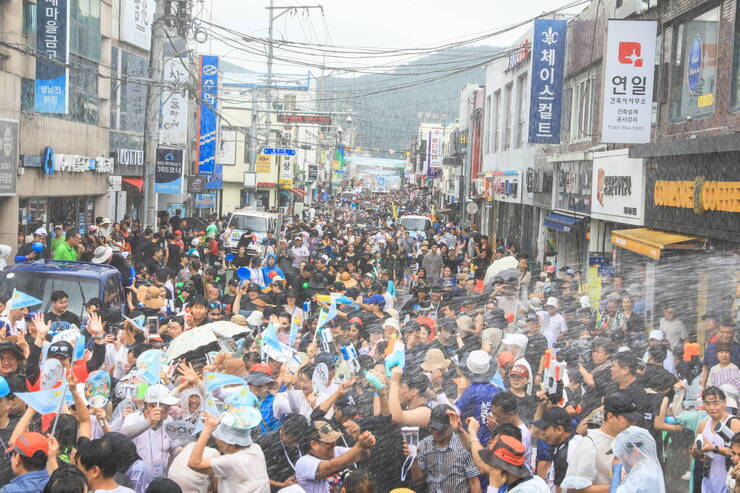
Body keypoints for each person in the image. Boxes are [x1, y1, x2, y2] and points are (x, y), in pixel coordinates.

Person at [561, 391, 640, 492]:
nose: (633, 423)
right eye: (628, 420)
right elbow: (577, 487)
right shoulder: (590, 443)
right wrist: (619, 488)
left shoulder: (629, 441)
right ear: (610, 416)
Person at [187, 413, 269, 493]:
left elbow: (194, 463)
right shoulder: (256, 448)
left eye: (218, 438)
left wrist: (207, 429)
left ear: (230, 445)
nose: (216, 441)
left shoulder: (232, 461)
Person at [407, 404, 481, 493]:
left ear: (451, 426)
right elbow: (418, 479)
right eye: (433, 428)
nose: (436, 432)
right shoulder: (424, 445)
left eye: (440, 429)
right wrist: (413, 458)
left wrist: (459, 429)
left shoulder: (463, 445)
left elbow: (474, 483)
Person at [294, 420, 376, 493]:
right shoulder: (303, 463)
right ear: (314, 445)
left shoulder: (335, 450)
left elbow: (363, 455)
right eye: (328, 441)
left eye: (334, 438)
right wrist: (359, 445)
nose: (333, 444)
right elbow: (331, 467)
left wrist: (362, 440)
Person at [693, 386, 740, 493]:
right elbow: (695, 454)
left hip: (729, 480)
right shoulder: (702, 425)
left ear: (724, 403)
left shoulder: (734, 423)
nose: (712, 407)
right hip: (708, 480)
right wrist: (697, 452)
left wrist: (715, 448)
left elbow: (738, 454)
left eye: (716, 403)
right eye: (707, 403)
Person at [256, 413, 309, 492]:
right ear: (283, 431)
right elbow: (254, 476)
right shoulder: (265, 443)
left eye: (298, 441)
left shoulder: (303, 440)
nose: (295, 444)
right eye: (293, 441)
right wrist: (282, 485)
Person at [477, 436, 550, 493]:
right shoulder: (537, 480)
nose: (490, 469)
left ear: (500, 469)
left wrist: (493, 487)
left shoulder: (523, 491)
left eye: (492, 465)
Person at [532, 407, 580, 491]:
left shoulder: (563, 456)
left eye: (545, 429)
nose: (542, 433)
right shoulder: (578, 438)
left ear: (559, 430)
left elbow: (562, 490)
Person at [610, 426, 665, 493]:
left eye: (621, 454)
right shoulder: (649, 465)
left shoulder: (641, 475)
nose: (621, 458)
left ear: (635, 451)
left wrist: (616, 469)